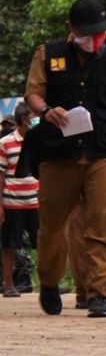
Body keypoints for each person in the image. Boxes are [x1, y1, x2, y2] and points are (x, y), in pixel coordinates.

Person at [23, 0, 106, 318]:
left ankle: (98, 292)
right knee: (51, 227)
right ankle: (49, 280)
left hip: (103, 152)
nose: (95, 37)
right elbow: (33, 93)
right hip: (59, 153)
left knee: (103, 221)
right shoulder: (47, 54)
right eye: (89, 31)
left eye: (100, 31)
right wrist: (46, 111)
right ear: (72, 28)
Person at [0, 105, 36, 297]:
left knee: (46, 243)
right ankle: (9, 284)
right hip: (12, 201)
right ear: (24, 119)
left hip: (36, 200)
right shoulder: (5, 143)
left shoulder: (39, 140)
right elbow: (0, 175)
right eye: (33, 116)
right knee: (8, 243)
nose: (36, 120)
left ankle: (50, 284)